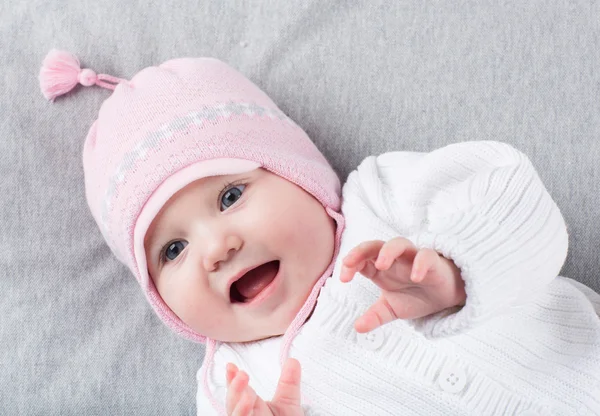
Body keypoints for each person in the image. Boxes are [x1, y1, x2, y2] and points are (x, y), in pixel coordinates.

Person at [40, 49, 600, 416]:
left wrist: (458, 271)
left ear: (299, 175)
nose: (216, 249)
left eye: (231, 196)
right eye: (173, 250)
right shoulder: (231, 388)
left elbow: (517, 198)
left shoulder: (380, 203)